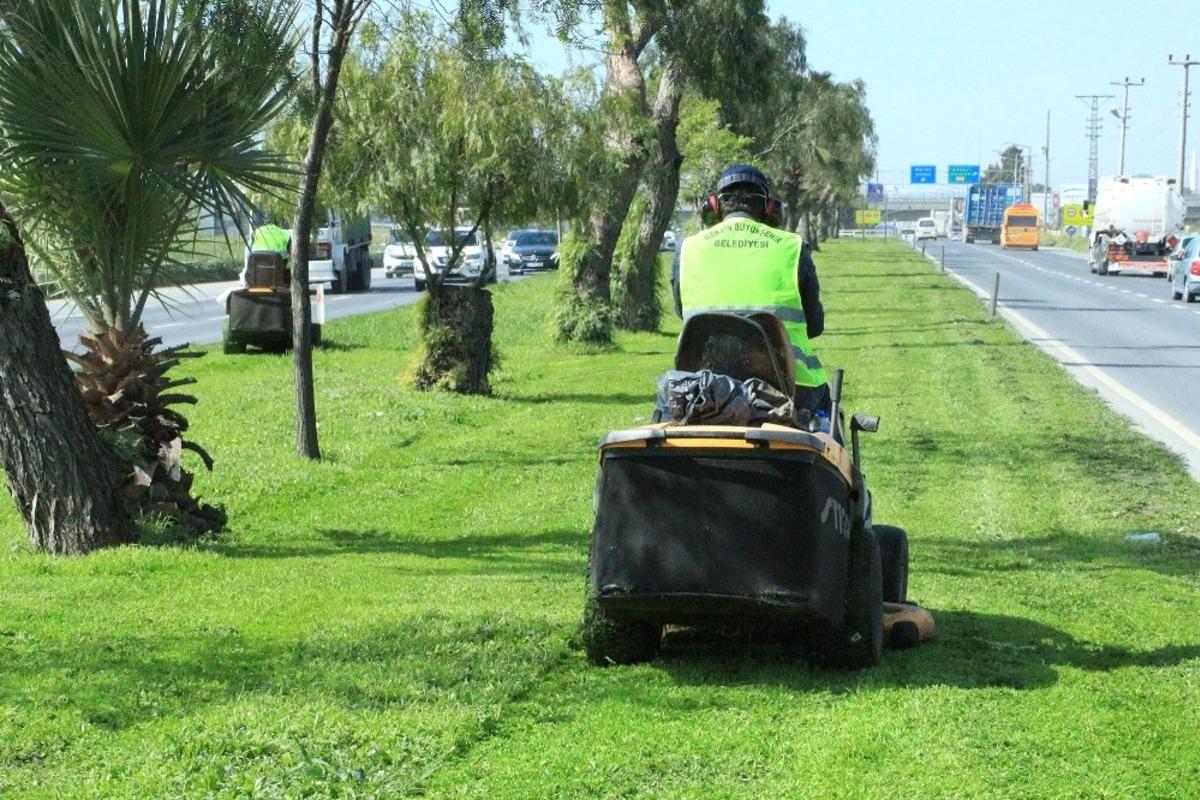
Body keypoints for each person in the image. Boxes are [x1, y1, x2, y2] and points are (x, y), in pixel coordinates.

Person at [672, 164, 831, 415]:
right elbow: (815, 326)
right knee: (827, 413)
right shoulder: (792, 247)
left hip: (703, 391)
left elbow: (683, 314)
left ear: (713, 207)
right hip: (792, 391)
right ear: (769, 209)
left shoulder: (687, 249)